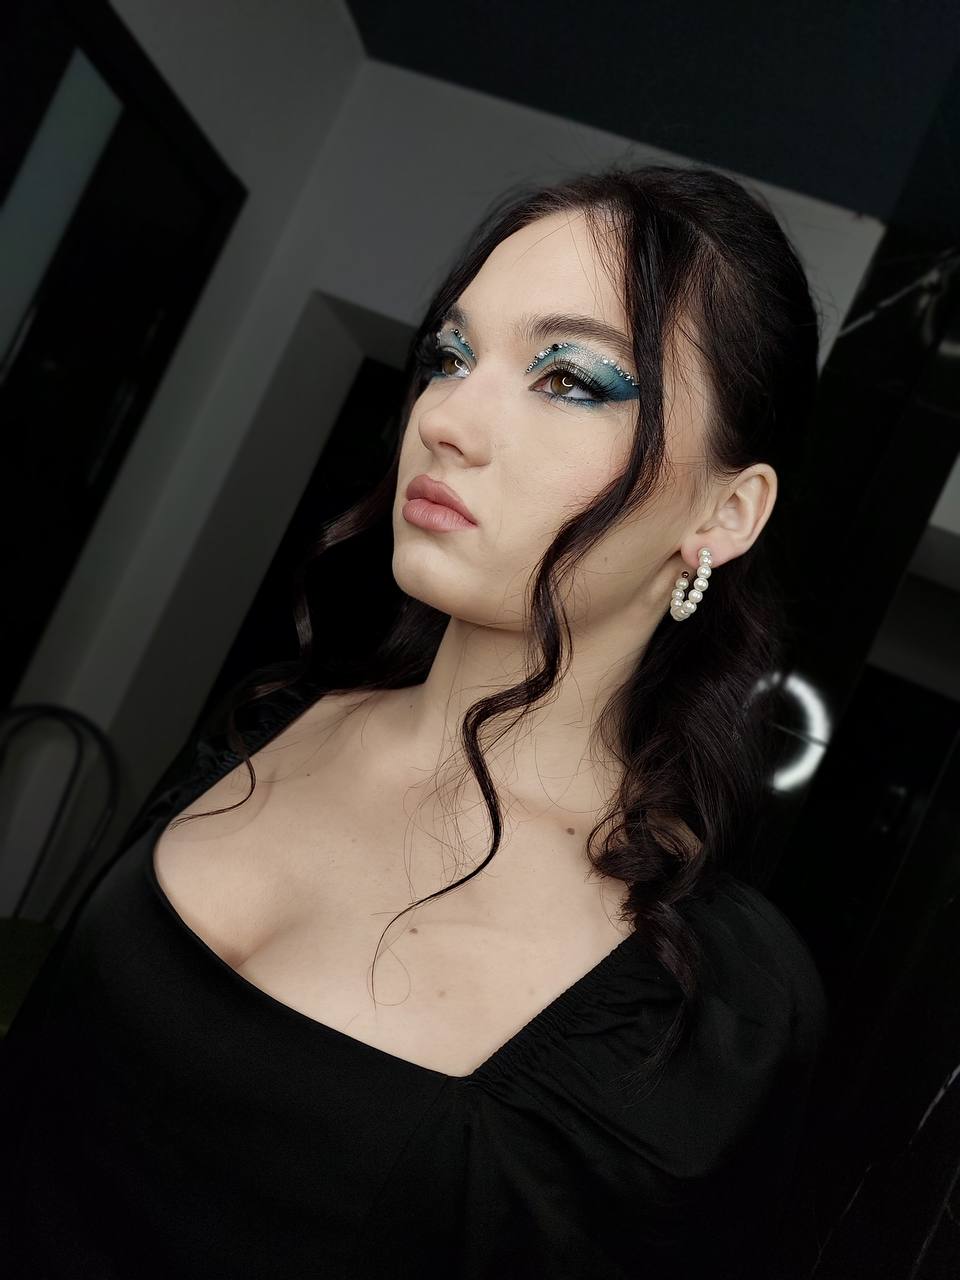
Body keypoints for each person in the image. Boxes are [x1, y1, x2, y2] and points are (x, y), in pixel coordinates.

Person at [0, 164, 828, 1279]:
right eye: (450, 355)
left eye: (569, 378)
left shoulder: (708, 1005)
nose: (446, 418)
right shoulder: (278, 718)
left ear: (727, 512)